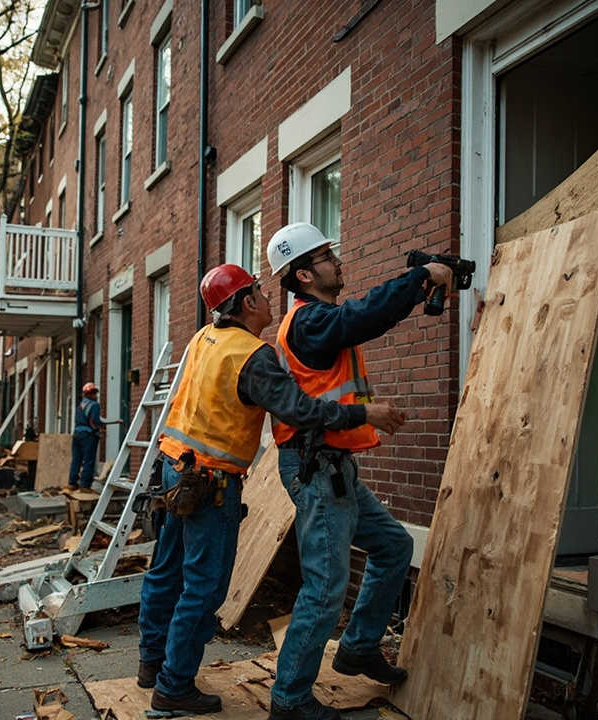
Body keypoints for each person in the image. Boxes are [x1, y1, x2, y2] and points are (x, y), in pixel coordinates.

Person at [137, 264, 407, 716]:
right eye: (259, 291)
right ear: (247, 303)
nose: (266, 297)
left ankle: (153, 665)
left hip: (172, 469)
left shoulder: (203, 339)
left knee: (166, 574)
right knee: (203, 590)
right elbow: (300, 410)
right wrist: (363, 415)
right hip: (210, 483)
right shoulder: (252, 355)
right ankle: (173, 686)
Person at [263, 222, 456, 720]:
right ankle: (289, 701)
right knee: (325, 586)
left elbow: (359, 317)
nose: (338, 261)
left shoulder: (315, 320)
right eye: (327, 256)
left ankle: (358, 648)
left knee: (394, 546)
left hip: (333, 467)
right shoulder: (309, 322)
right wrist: (421, 278)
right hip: (317, 468)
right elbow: (365, 315)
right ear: (303, 274)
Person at [68, 382, 123, 489]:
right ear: (91, 394)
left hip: (77, 434)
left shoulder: (81, 405)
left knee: (76, 459)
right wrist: (113, 422)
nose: (96, 396)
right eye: (94, 393)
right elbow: (96, 421)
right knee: (89, 460)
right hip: (88, 436)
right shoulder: (94, 405)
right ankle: (85, 484)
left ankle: (72, 481)